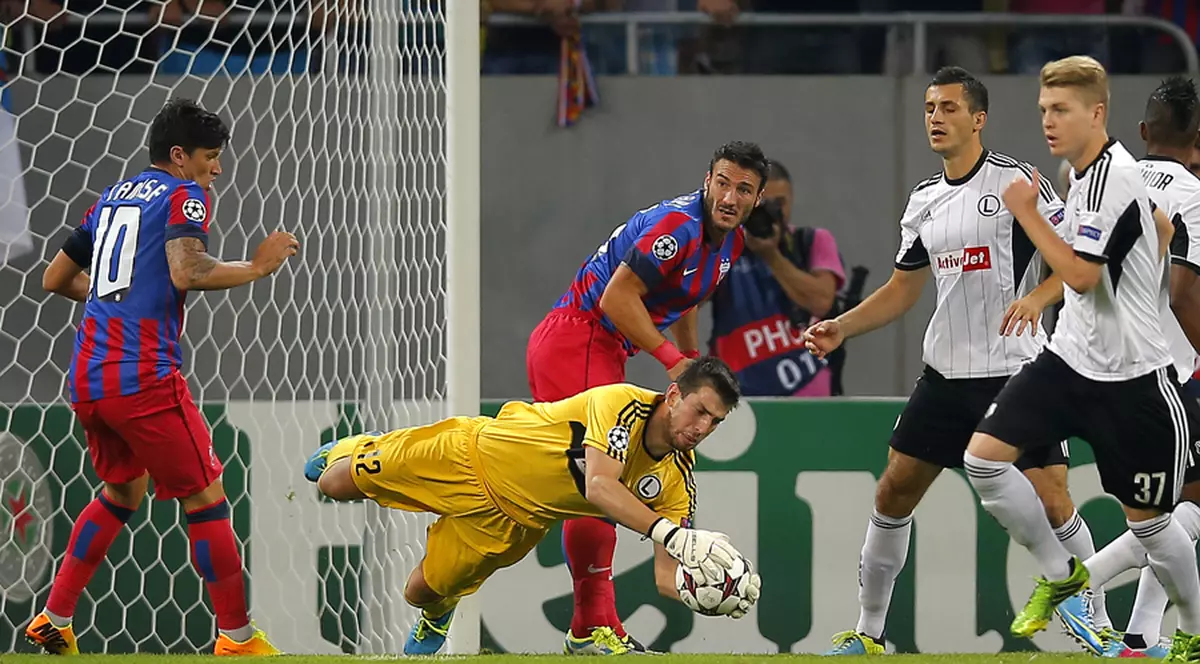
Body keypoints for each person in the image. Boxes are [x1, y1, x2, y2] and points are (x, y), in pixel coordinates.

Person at [802, 66, 1108, 656]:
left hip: (1016, 369)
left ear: (978, 118)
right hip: (945, 376)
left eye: (947, 107)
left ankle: (1092, 616)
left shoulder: (1018, 182)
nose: (935, 118)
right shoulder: (924, 200)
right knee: (893, 491)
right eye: (928, 108)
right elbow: (902, 288)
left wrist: (1038, 297)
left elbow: (1077, 260)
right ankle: (868, 634)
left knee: (1052, 499)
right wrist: (843, 327)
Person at [30, 98, 298, 656]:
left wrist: (113, 304)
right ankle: (236, 638)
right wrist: (258, 266)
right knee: (206, 497)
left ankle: (54, 619)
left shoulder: (111, 197)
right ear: (180, 156)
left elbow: (55, 278)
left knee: (121, 491)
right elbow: (188, 268)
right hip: (142, 377)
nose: (215, 170)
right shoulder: (185, 194)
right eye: (210, 157)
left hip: (89, 376)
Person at [959, 56, 1200, 660]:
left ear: (1098, 113)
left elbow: (1082, 275)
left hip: (1134, 377)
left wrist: (1025, 211)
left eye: (1061, 110)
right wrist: (1150, 240)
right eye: (1043, 110)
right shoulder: (1081, 173)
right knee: (983, 459)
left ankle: (1193, 629)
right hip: (1069, 361)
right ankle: (1066, 576)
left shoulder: (1111, 177)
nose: (1048, 121)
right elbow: (1139, 239)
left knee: (1152, 525)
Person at [302, 357, 762, 656]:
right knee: (334, 482)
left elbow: (666, 574)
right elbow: (600, 486)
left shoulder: (677, 478)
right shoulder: (621, 403)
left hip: (512, 522)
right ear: (674, 395)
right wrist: (674, 535)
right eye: (700, 411)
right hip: (470, 453)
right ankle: (363, 445)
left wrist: (703, 591)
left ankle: (438, 613)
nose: (703, 427)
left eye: (715, 422)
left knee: (421, 591)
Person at [525, 141, 766, 654]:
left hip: (599, 346)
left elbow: (686, 300)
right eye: (722, 182)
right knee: (597, 483)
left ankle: (595, 625)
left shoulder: (731, 243)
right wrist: (673, 362)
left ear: (757, 198)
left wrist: (694, 361)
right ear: (707, 180)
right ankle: (592, 627)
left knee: (589, 485)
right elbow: (616, 297)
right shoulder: (677, 227)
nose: (729, 195)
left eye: (743, 188)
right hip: (580, 337)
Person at [1053, 76, 1200, 659]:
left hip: (1102, 364)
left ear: (1143, 132)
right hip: (1173, 372)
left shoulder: (1110, 179)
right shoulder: (1192, 195)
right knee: (1176, 513)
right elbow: (1185, 294)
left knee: (1172, 509)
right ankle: (1078, 585)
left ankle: (1141, 636)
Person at [708, 158, 850, 397]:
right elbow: (688, 299)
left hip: (809, 396)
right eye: (761, 204)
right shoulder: (725, 246)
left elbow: (822, 302)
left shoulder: (812, 241)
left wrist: (771, 256)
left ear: (791, 200)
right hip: (740, 399)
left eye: (779, 203)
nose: (769, 212)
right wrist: (717, 239)